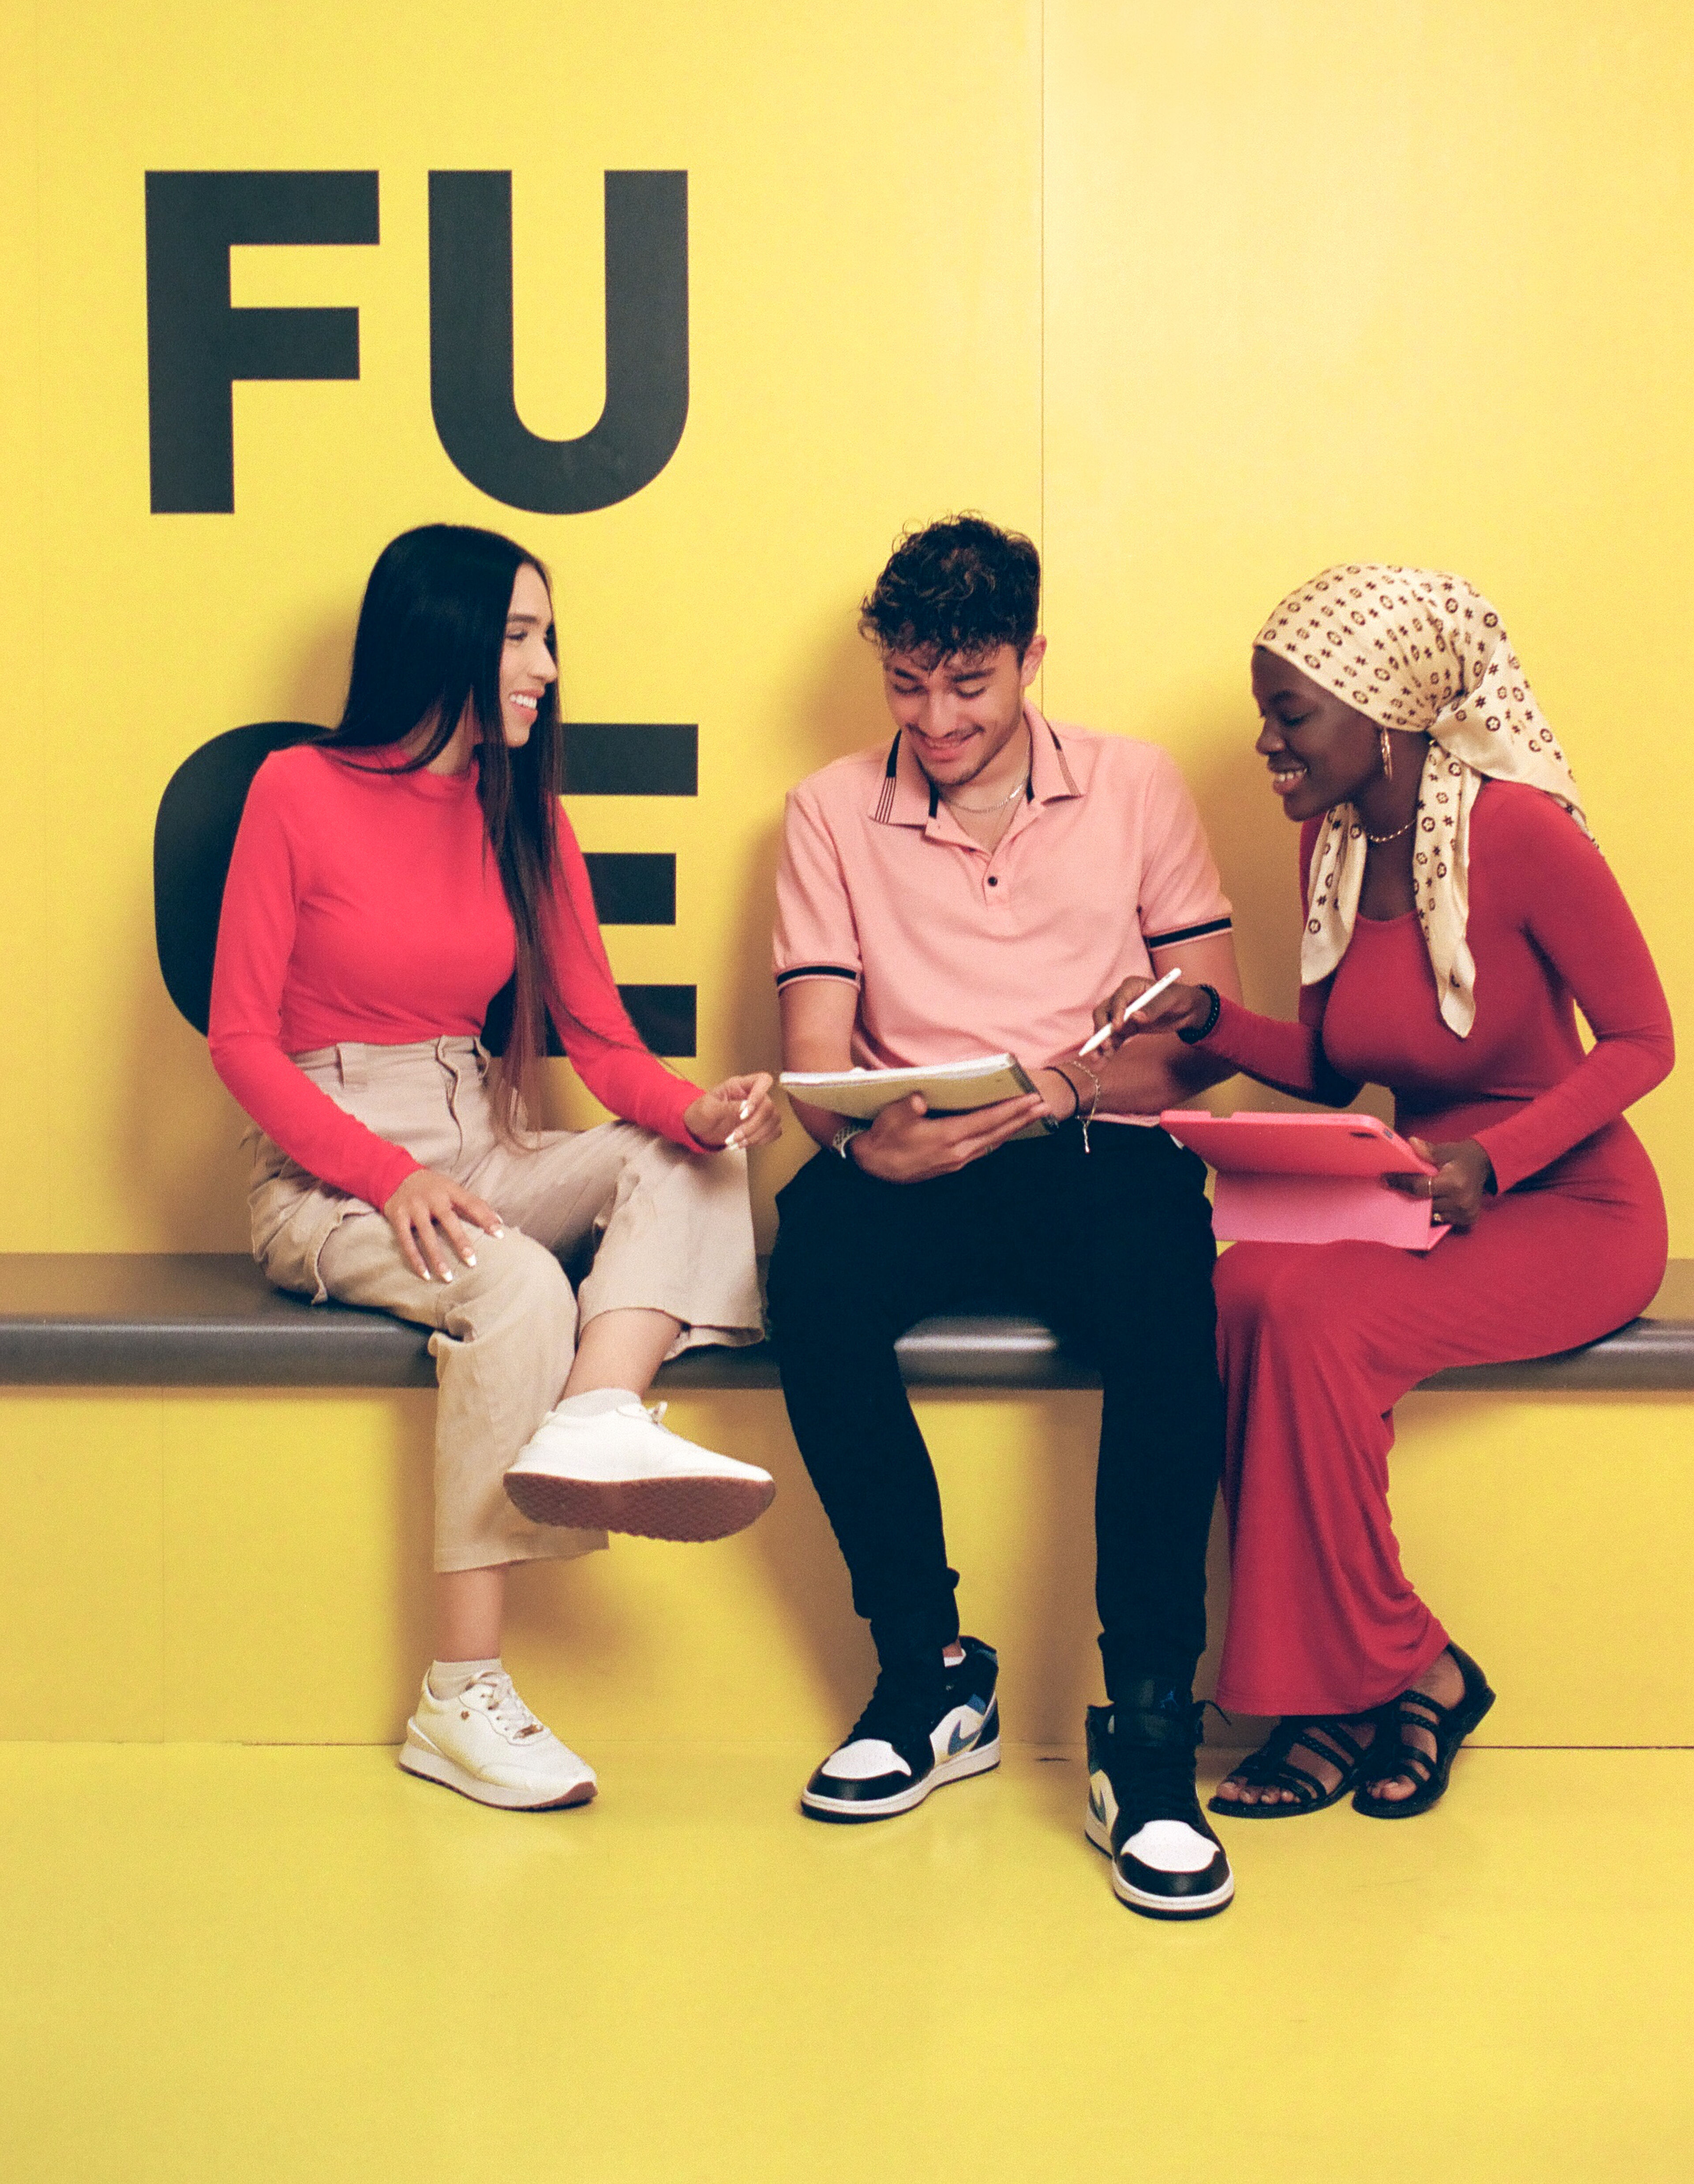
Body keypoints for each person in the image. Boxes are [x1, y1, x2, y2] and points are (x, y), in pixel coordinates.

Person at [208, 524, 782, 1813]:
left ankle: (596, 1417)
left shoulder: (526, 817)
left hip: (485, 1134)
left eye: (547, 639)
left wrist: (700, 1113)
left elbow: (604, 1044)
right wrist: (380, 1176)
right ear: (446, 639)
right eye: (522, 637)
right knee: (514, 1282)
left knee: (681, 1167)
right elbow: (241, 1040)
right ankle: (458, 1698)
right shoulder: (296, 790)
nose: (546, 667)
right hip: (331, 1169)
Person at [1094, 563, 1673, 1821]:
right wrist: (1211, 1022)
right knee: (1247, 1288)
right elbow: (1343, 1067)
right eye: (1265, 711)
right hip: (1421, 1192)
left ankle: (1356, 1694)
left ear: (1383, 718)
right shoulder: (1336, 843)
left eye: (1291, 714)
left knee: (1315, 1316)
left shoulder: (1522, 835)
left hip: (1569, 1208)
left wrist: (1499, 1159)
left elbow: (1643, 1041)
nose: (1265, 741)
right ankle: (1395, 1679)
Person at [766, 514, 1244, 1920]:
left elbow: (1201, 1031)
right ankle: (928, 1676)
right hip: (917, 1145)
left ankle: (1150, 1734)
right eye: (908, 686)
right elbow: (814, 1053)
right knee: (816, 1283)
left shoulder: (1139, 787)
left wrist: (1066, 1083)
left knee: (1170, 1312)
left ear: (1031, 659)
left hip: (1095, 1138)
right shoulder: (826, 810)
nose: (937, 718)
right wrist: (873, 1142)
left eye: (968, 686)